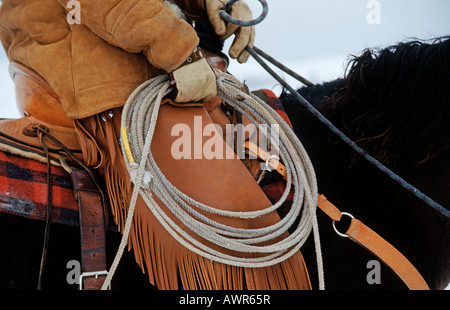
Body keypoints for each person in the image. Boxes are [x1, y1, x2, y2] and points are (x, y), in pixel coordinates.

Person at [0, 0, 255, 119]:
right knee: (208, 179)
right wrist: (177, 50)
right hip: (83, 74)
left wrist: (210, 3)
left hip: (128, 51)